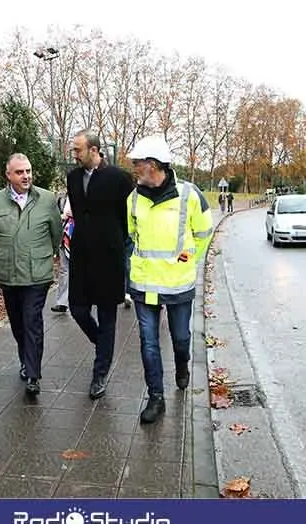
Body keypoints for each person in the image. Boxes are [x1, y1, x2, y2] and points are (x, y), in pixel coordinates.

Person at [126, 135, 213, 423]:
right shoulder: (134, 198)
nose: (135, 169)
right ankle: (156, 398)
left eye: (138, 164)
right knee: (148, 343)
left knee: (180, 338)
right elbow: (130, 235)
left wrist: (188, 258)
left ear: (152, 165)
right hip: (144, 285)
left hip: (178, 283)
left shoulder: (189, 195)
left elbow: (204, 232)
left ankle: (182, 364)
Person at [0, 153, 61, 395]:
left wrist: (44, 254)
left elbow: (56, 234)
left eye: (28, 171)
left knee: (32, 321)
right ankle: (25, 360)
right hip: (8, 273)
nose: (26, 176)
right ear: (8, 175)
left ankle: (33, 374)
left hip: (37, 275)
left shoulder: (47, 199)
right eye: (20, 172)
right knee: (17, 324)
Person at [66, 129, 134, 400]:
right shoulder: (72, 177)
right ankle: (102, 345)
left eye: (78, 150)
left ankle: (100, 374)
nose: (74, 154)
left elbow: (127, 216)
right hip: (81, 256)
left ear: (94, 150)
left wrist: (116, 240)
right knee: (78, 309)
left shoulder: (119, 178)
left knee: (107, 317)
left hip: (109, 259)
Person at [51, 192, 72, 313]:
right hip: (65, 236)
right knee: (64, 270)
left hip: (83, 237)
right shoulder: (62, 198)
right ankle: (62, 302)